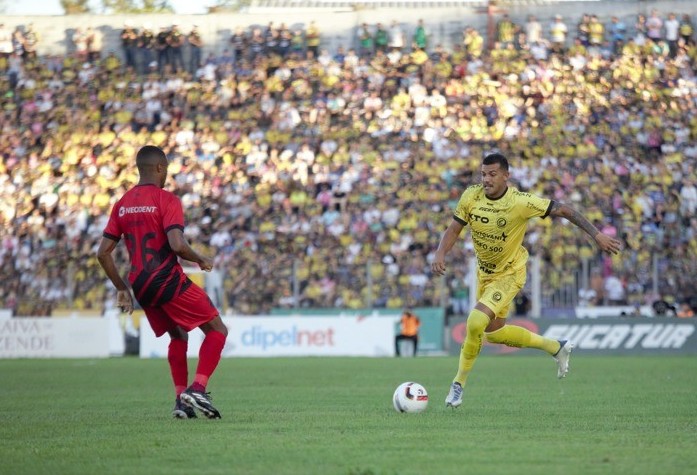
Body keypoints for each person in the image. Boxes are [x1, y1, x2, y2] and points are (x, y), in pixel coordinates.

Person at [431, 152, 621, 408]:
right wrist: (441, 252)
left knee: (475, 322)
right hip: (485, 274)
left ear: (506, 176)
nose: (486, 179)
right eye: (484, 174)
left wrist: (596, 235)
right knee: (495, 334)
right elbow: (454, 228)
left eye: (493, 174)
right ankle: (556, 347)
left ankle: (458, 385)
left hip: (510, 273)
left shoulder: (520, 202)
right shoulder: (470, 196)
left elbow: (563, 209)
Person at [96, 145, 228, 419]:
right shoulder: (166, 200)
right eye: (166, 169)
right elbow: (177, 244)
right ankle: (198, 389)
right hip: (165, 279)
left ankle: (180, 400)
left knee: (178, 334)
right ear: (159, 168)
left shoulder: (122, 204)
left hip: (140, 286)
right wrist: (200, 259)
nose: (166, 174)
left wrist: (122, 288)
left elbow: (102, 253)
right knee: (217, 329)